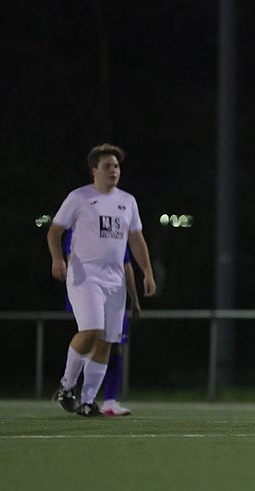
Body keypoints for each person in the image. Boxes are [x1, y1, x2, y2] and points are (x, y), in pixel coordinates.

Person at [49, 143, 156, 416]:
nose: (114, 170)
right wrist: (57, 259)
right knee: (91, 330)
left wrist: (147, 272)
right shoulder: (79, 197)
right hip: (85, 276)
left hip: (115, 280)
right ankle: (66, 385)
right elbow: (54, 231)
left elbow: (136, 239)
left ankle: (87, 400)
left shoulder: (128, 201)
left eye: (116, 166)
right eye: (107, 166)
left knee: (106, 340)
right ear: (94, 170)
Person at [61, 228, 141, 416]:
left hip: (114, 293)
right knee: (93, 336)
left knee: (111, 343)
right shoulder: (80, 225)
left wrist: (134, 297)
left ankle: (100, 401)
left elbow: (126, 264)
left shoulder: (116, 227)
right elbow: (70, 258)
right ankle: (68, 386)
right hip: (90, 291)